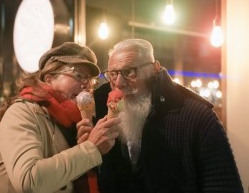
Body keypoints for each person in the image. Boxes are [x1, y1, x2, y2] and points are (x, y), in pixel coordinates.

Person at [92, 39, 244, 192]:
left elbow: (224, 185)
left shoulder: (196, 116)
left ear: (154, 69)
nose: (118, 83)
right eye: (112, 74)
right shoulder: (99, 107)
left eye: (129, 71)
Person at [0, 42, 120, 193]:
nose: (86, 84)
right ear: (49, 78)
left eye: (90, 80)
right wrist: (90, 148)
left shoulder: (73, 122)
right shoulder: (22, 112)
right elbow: (29, 181)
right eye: (78, 75)